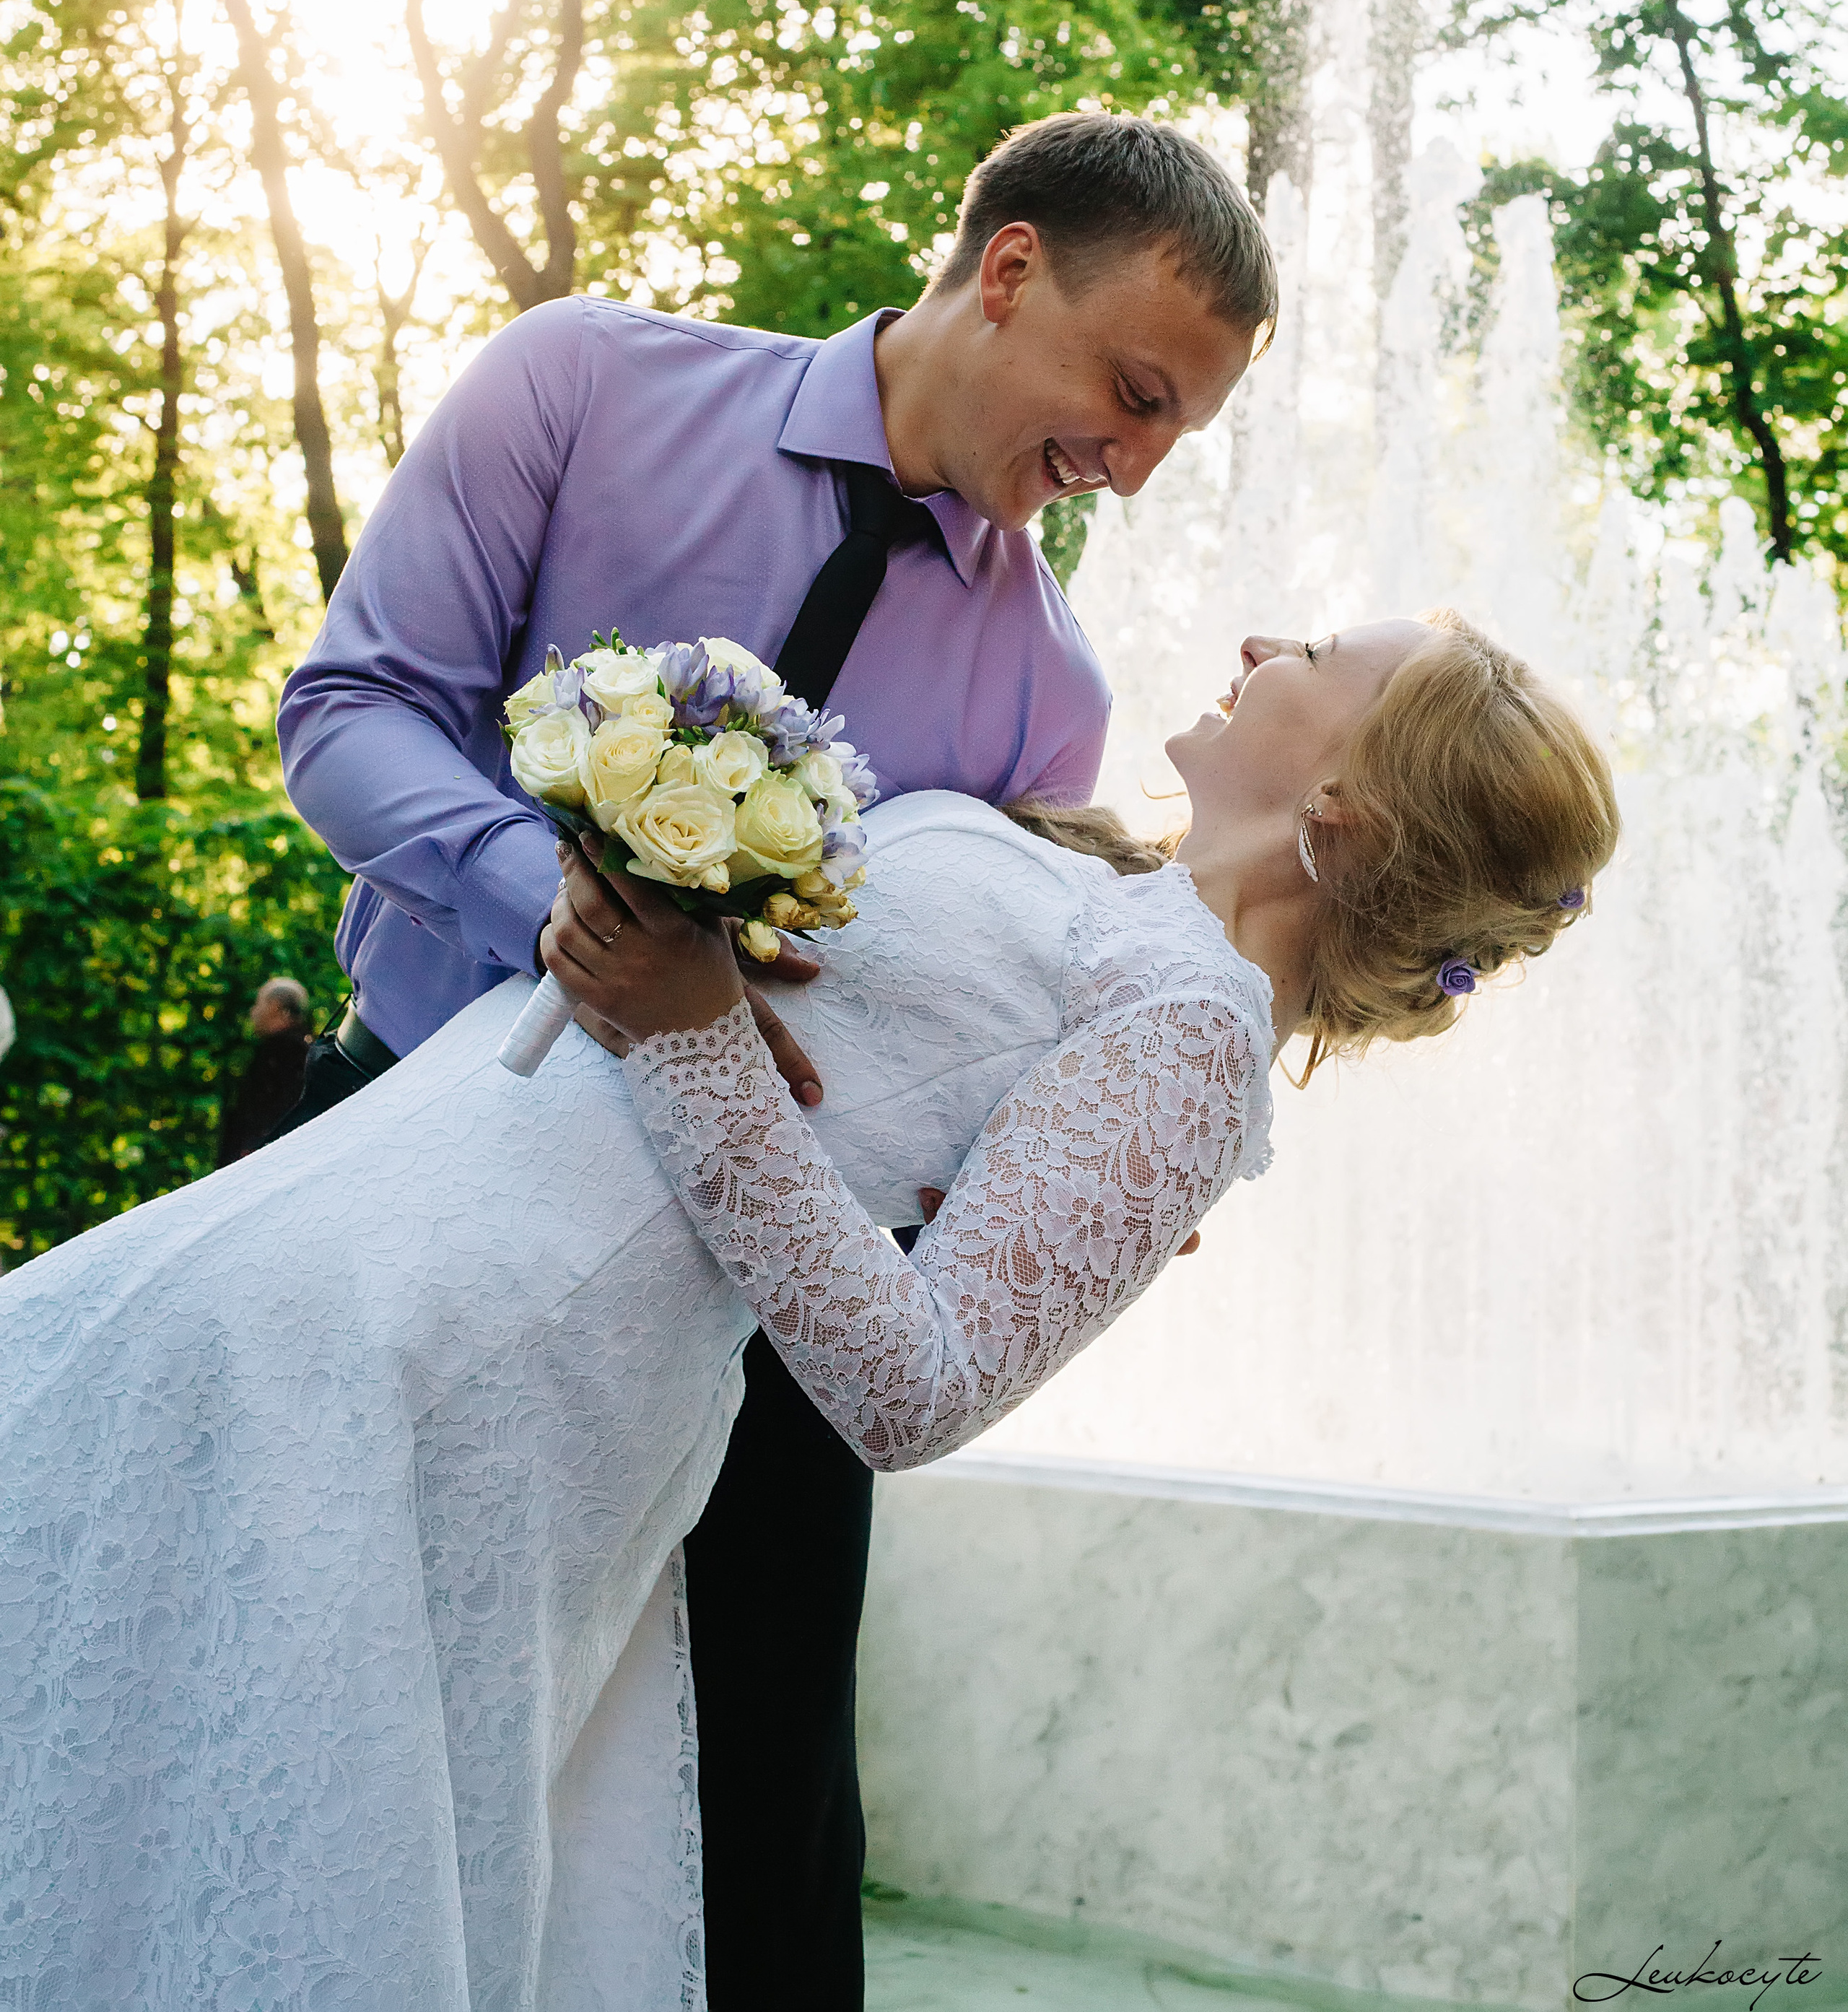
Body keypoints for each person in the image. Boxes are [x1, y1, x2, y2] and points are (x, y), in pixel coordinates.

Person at [0, 609, 1619, 2010]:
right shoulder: (1125, 905)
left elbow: (913, 1388)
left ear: (1347, 797)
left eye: (1318, 655)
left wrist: (695, 1027)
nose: (1265, 642)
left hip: (484, 1337)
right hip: (389, 1213)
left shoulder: (1194, 1028)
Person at [270, 110, 1273, 2006]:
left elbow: (990, 1026)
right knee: (363, 1736)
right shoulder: (580, 385)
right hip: (399, 1180)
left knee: (773, 1829)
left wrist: (1089, 1163)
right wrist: (557, 893)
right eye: (1133, 395)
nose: (1132, 468)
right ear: (1004, 271)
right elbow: (352, 709)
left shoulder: (1047, 685)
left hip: (756, 1304)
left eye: (1173, 436)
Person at [214, 977, 313, 1166]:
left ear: (275, 1007)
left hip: (263, 1162)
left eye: (258, 1004)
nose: (253, 1012)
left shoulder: (281, 1052)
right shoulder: (310, 1050)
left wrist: (248, 1151)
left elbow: (271, 1110)